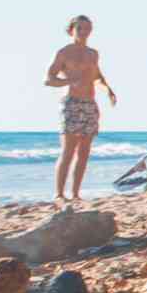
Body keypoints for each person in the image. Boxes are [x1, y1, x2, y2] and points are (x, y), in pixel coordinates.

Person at [45, 15, 116, 203]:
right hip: (72, 103)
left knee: (84, 152)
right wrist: (69, 80)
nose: (84, 32)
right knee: (68, 150)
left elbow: (97, 74)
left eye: (87, 28)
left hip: (90, 104)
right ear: (71, 30)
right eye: (80, 28)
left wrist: (108, 89)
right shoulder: (63, 52)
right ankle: (59, 193)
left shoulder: (93, 53)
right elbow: (49, 79)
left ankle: (76, 193)